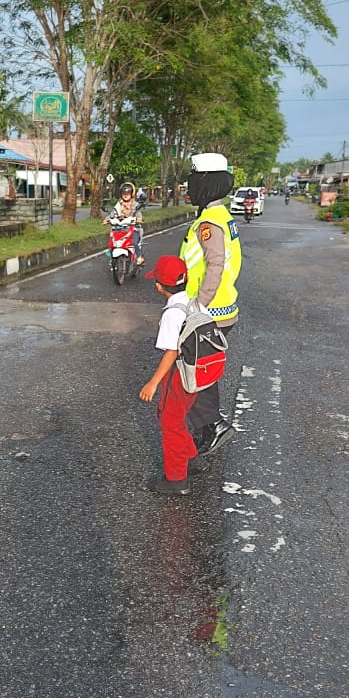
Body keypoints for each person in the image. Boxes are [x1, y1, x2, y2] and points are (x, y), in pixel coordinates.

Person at [180, 152, 242, 458]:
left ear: (206, 183)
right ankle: (207, 429)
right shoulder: (221, 217)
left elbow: (215, 265)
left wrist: (198, 307)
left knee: (193, 371)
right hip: (221, 308)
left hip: (209, 312)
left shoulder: (209, 222)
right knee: (202, 369)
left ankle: (212, 426)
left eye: (193, 181)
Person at [138, 255, 198, 495]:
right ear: (187, 279)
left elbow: (171, 351)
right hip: (199, 373)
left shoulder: (172, 313)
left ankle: (176, 480)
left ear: (159, 286)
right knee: (179, 415)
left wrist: (153, 383)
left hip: (180, 375)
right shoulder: (195, 303)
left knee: (170, 422)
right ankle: (192, 457)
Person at [104, 182, 144, 265]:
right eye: (124, 193)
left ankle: (139, 256)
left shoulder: (135, 205)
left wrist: (138, 219)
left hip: (133, 228)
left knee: (134, 242)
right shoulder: (119, 204)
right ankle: (113, 258)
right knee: (112, 241)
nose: (125, 195)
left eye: (128, 193)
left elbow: (138, 213)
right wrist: (107, 219)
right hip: (120, 228)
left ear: (132, 194)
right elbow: (113, 213)